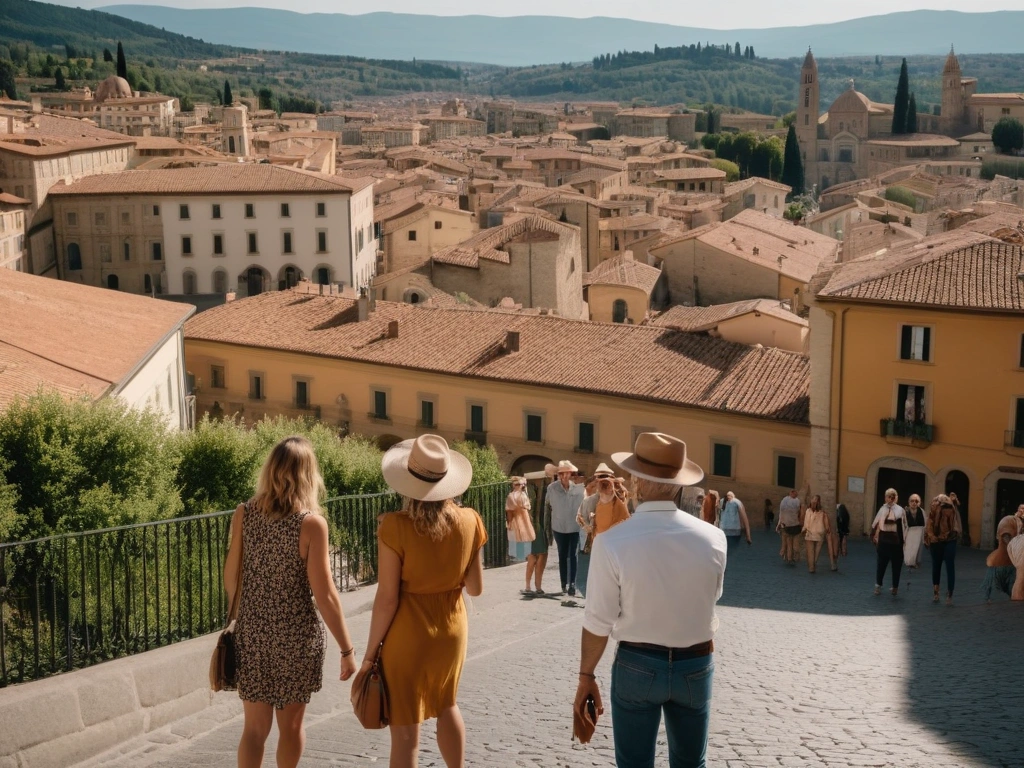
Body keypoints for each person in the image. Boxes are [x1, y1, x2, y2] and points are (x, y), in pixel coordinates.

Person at [575, 432, 726, 768]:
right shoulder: (714, 538)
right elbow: (712, 597)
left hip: (637, 663)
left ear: (636, 483)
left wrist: (586, 676)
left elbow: (598, 621)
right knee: (691, 763)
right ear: (678, 485)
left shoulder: (611, 542)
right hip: (695, 663)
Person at [224, 436, 358, 768]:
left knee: (253, 730)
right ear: (308, 475)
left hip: (252, 633)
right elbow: (324, 594)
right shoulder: (311, 524)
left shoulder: (244, 513)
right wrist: (347, 649)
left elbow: (231, 575)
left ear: (270, 469)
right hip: (296, 638)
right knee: (291, 727)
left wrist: (242, 616)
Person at [357, 434, 486, 768]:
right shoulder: (471, 520)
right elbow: (475, 588)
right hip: (452, 632)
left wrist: (369, 657)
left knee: (406, 734)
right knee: (447, 705)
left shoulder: (394, 527)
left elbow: (386, 599)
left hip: (408, 636)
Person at [576, 465, 630, 598]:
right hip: (597, 546)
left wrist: (618, 491)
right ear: (595, 480)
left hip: (616, 549)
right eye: (600, 478)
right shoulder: (589, 501)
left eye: (607, 478)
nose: (603, 481)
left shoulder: (621, 498)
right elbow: (580, 519)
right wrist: (589, 527)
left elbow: (626, 520)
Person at [545, 460, 586, 596]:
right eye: (561, 473)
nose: (563, 476)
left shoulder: (579, 490)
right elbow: (548, 505)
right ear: (558, 474)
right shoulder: (551, 488)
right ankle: (564, 583)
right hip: (559, 527)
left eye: (566, 473)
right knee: (562, 555)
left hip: (574, 527)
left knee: (573, 555)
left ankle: (572, 584)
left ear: (570, 474)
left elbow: (583, 506)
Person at [924, 493, 961, 606]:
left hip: (950, 539)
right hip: (937, 540)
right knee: (937, 565)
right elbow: (930, 523)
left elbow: (956, 523)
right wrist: (931, 537)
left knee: (948, 566)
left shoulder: (953, 509)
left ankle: (949, 594)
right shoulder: (935, 508)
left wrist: (954, 502)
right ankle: (937, 592)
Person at [871, 488, 906, 596]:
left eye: (893, 496)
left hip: (896, 543)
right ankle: (878, 585)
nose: (890, 498)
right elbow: (875, 524)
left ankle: (895, 587)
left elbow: (904, 527)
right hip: (884, 541)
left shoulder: (900, 510)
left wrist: (904, 542)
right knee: (881, 564)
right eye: (888, 496)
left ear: (896, 498)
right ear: (885, 497)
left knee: (896, 566)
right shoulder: (882, 509)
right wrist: (875, 536)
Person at [982, 516, 1021, 603]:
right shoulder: (1008, 523)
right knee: (994, 586)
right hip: (1000, 562)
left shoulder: (1015, 523)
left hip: (1011, 562)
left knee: (1012, 585)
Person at [801, 495, 832, 573]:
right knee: (817, 551)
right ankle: (813, 564)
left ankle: (811, 567)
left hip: (810, 533)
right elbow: (826, 523)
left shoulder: (808, 511)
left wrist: (803, 530)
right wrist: (827, 529)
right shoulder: (822, 512)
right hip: (820, 533)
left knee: (810, 551)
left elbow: (806, 523)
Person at [776, 489, 803, 565]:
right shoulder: (788, 501)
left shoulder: (787, 501)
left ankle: (790, 556)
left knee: (791, 543)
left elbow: (782, 514)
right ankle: (790, 557)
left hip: (791, 525)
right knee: (789, 543)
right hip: (788, 525)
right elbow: (782, 514)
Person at [903, 494, 926, 569]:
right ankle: (909, 562)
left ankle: (916, 561)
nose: (914, 503)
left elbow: (925, 523)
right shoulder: (905, 511)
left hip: (919, 532)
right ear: (909, 502)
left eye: (916, 501)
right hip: (909, 532)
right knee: (909, 548)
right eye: (912, 501)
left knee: (918, 548)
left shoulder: (922, 511)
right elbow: (903, 524)